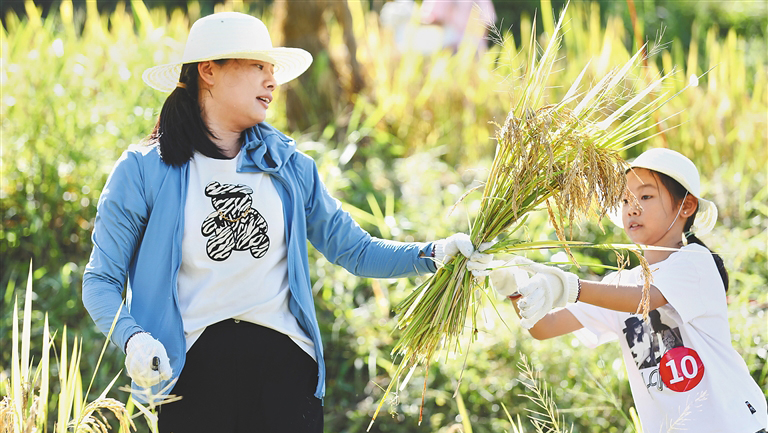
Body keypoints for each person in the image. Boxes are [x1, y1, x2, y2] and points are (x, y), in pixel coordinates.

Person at [81, 12, 489, 433]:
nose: (272, 81)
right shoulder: (143, 171)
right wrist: (134, 338)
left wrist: (435, 253)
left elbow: (356, 251)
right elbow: (100, 281)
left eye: (272, 69)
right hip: (191, 378)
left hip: (287, 375)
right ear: (209, 71)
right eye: (258, 66)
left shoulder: (290, 166)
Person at [489, 148, 768, 432]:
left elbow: (644, 299)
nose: (632, 208)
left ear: (685, 206)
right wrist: (515, 289)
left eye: (645, 196)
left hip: (735, 425)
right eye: (624, 200)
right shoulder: (620, 286)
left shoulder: (695, 261)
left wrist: (571, 287)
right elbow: (544, 327)